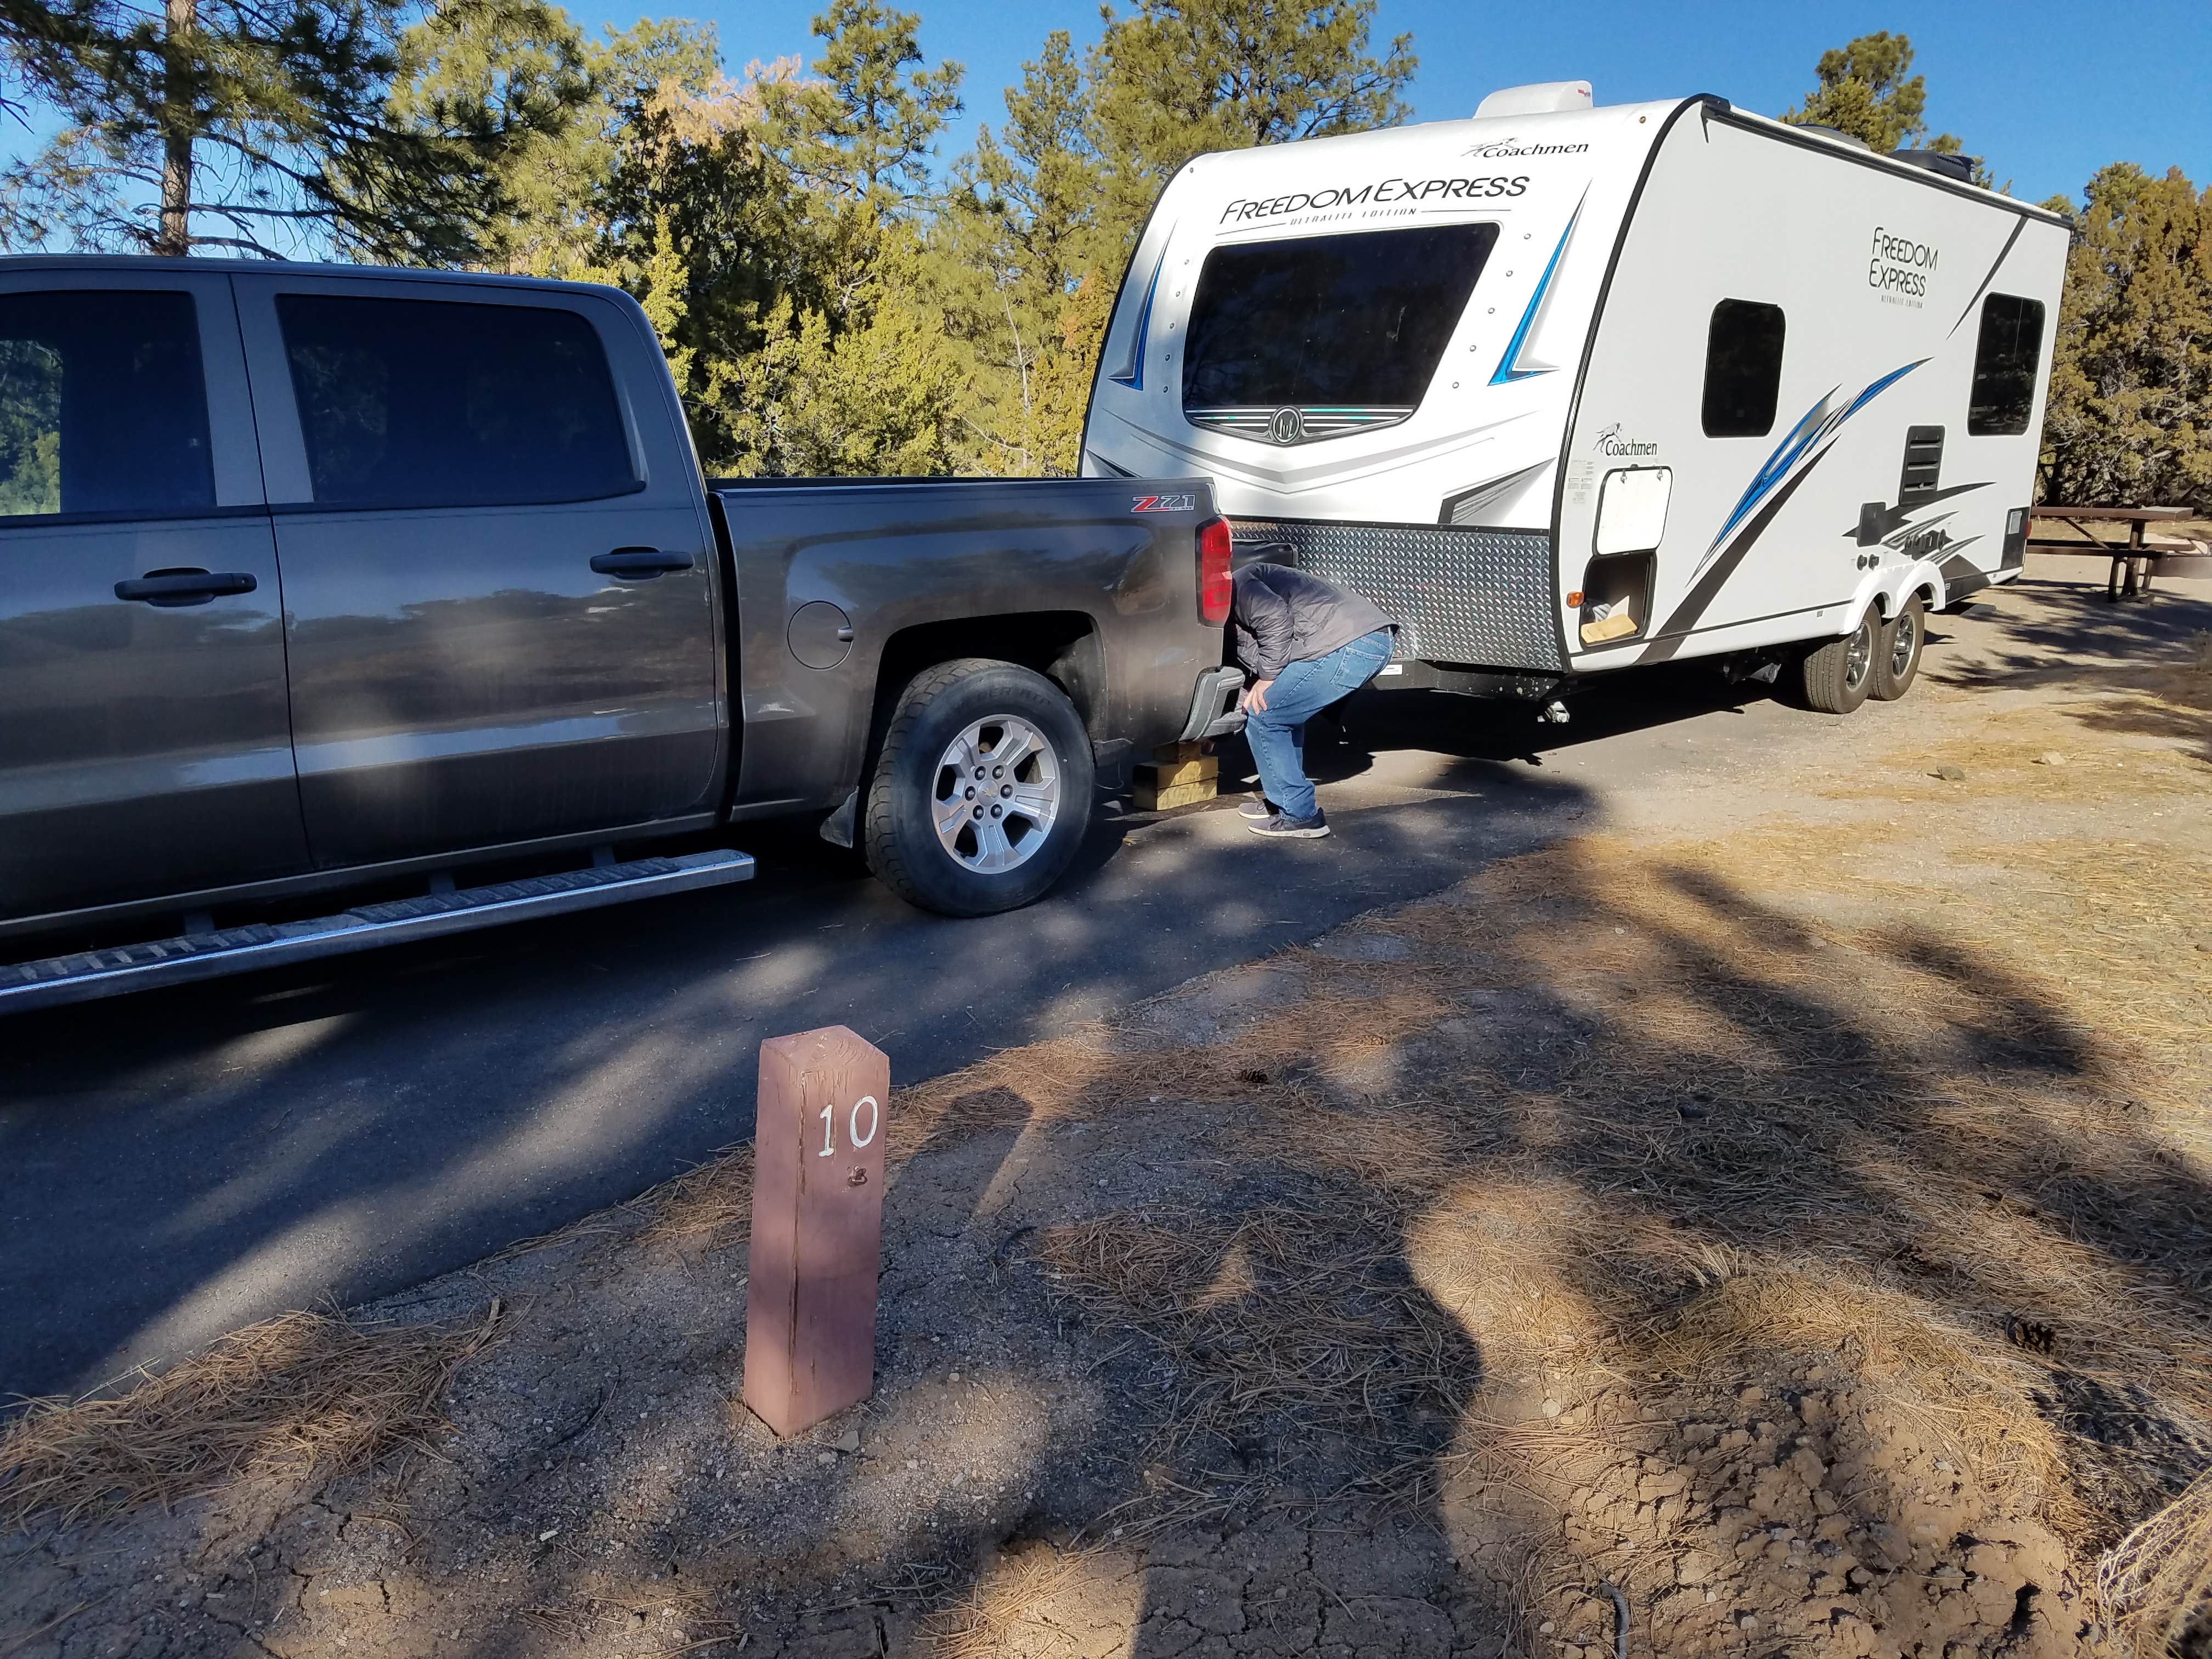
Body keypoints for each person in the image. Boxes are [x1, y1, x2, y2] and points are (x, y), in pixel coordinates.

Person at [1227, 561, 1397, 839]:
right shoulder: (1228, 608)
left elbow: (1276, 620)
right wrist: (1216, 734)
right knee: (1281, 713)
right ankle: (1282, 800)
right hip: (1357, 640)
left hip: (1353, 643)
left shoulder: (1239, 586)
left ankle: (1301, 816)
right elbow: (1248, 686)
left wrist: (1268, 677)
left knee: (1267, 716)